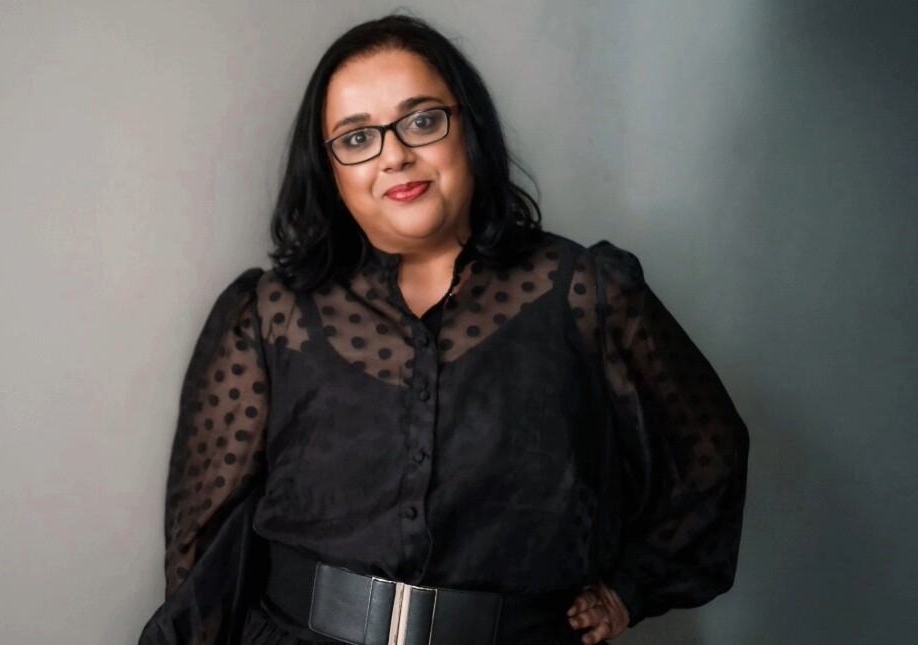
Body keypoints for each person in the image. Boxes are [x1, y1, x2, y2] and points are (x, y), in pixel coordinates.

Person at [139, 14, 748, 645]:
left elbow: (710, 457)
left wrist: (630, 590)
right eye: (356, 139)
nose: (395, 156)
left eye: (422, 121)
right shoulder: (269, 316)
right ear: (330, 171)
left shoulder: (586, 293)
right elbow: (203, 543)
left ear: (469, 129)